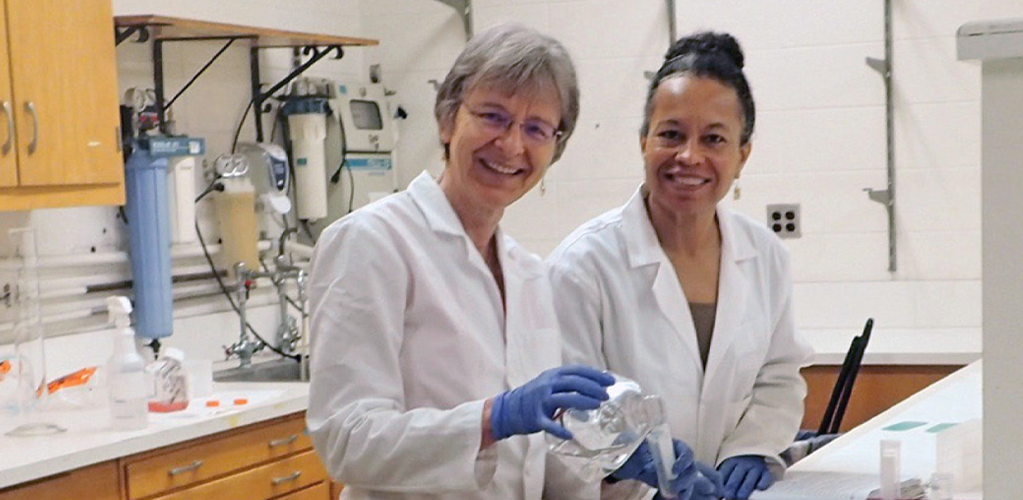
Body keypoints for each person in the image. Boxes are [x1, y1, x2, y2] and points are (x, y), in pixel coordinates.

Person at [306, 24, 712, 500]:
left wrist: (621, 467)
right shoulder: (372, 243)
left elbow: (533, 461)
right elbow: (346, 440)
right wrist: (491, 418)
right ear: (446, 120)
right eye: (493, 116)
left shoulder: (528, 274)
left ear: (553, 150)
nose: (512, 145)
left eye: (536, 128)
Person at [549, 31, 815, 500]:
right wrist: (628, 461)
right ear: (643, 141)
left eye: (714, 138)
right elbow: (563, 415)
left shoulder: (765, 256)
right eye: (671, 135)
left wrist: (751, 448)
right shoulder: (583, 266)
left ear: (742, 153)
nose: (689, 157)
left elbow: (778, 377)